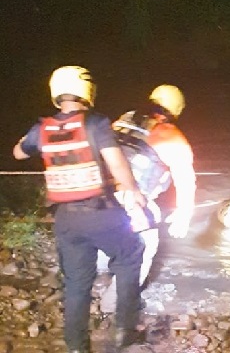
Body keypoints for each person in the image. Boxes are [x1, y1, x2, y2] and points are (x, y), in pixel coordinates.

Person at [13, 66, 146, 352]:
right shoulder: (95, 122)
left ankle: (76, 347)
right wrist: (133, 191)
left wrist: (35, 139)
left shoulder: (43, 128)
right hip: (101, 213)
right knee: (130, 255)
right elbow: (115, 160)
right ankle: (124, 330)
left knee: (76, 283)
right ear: (88, 91)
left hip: (66, 220)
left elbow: (19, 152)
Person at [97, 84, 196, 314]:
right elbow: (185, 179)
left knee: (106, 239)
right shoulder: (171, 135)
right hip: (131, 202)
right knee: (145, 247)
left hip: (98, 199)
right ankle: (115, 305)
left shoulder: (124, 119)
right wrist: (184, 215)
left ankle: (100, 276)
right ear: (176, 110)